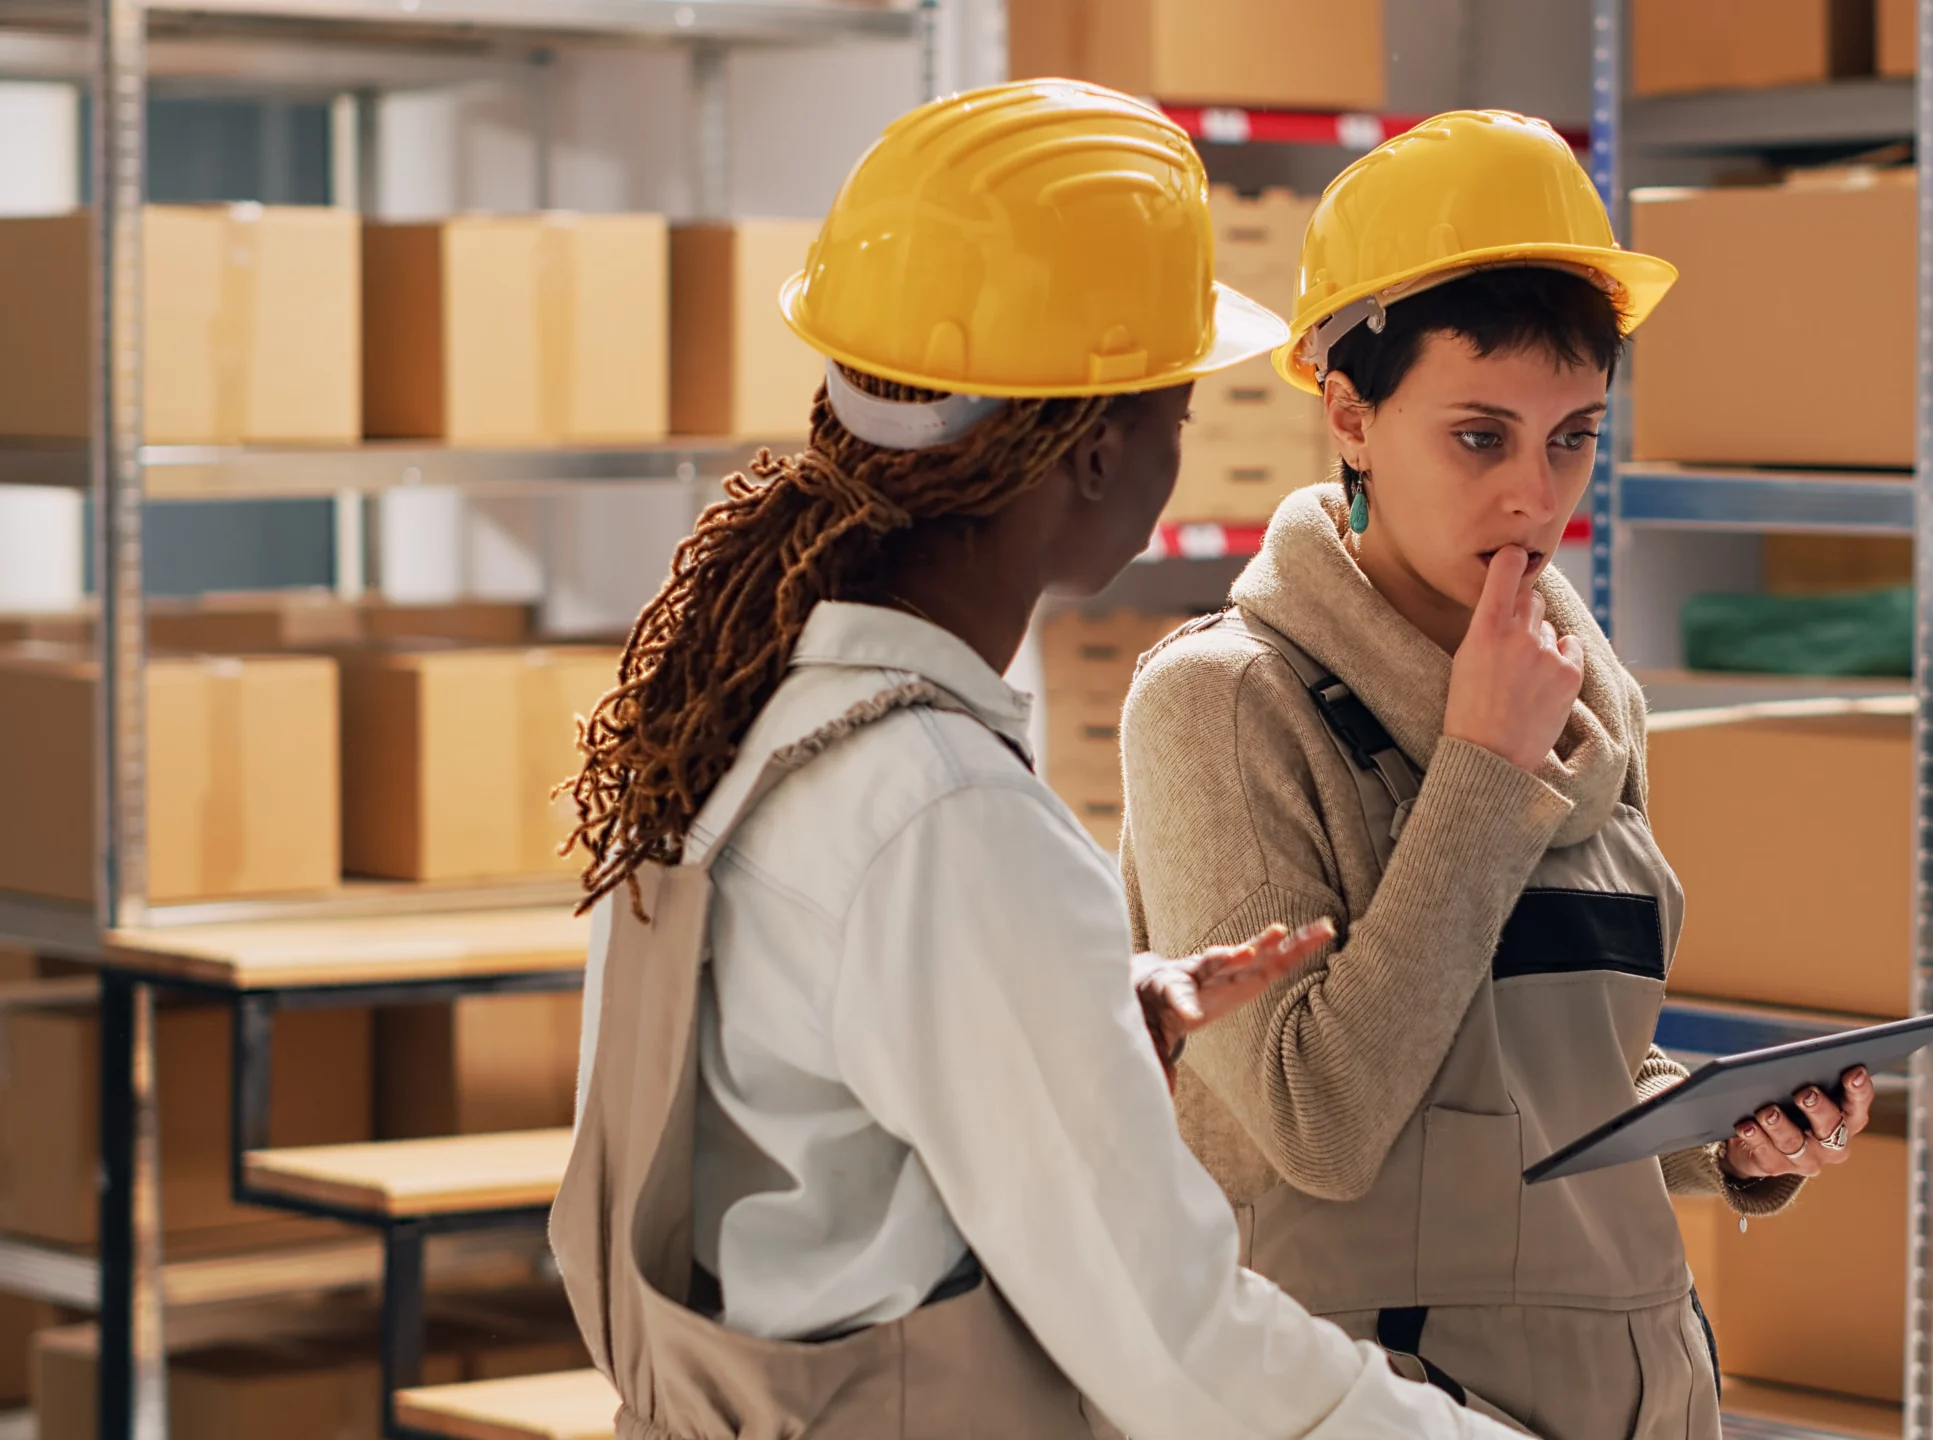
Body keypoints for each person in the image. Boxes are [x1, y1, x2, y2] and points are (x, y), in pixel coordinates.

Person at [550, 80, 1525, 1440]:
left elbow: (792, 1133)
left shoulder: (744, 724)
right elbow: (1180, 1353)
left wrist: (1075, 1022)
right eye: (1175, 407)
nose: (1181, 449)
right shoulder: (943, 819)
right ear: (1092, 453)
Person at [1117, 110, 1876, 1440]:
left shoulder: (1591, 692)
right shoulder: (1224, 704)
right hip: (1364, 1402)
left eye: (1573, 437)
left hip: (1634, 1384)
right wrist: (1480, 764)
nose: (1539, 496)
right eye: (1481, 437)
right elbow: (1319, 1119)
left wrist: (1727, 1138)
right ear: (1348, 415)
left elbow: (1546, 1087)